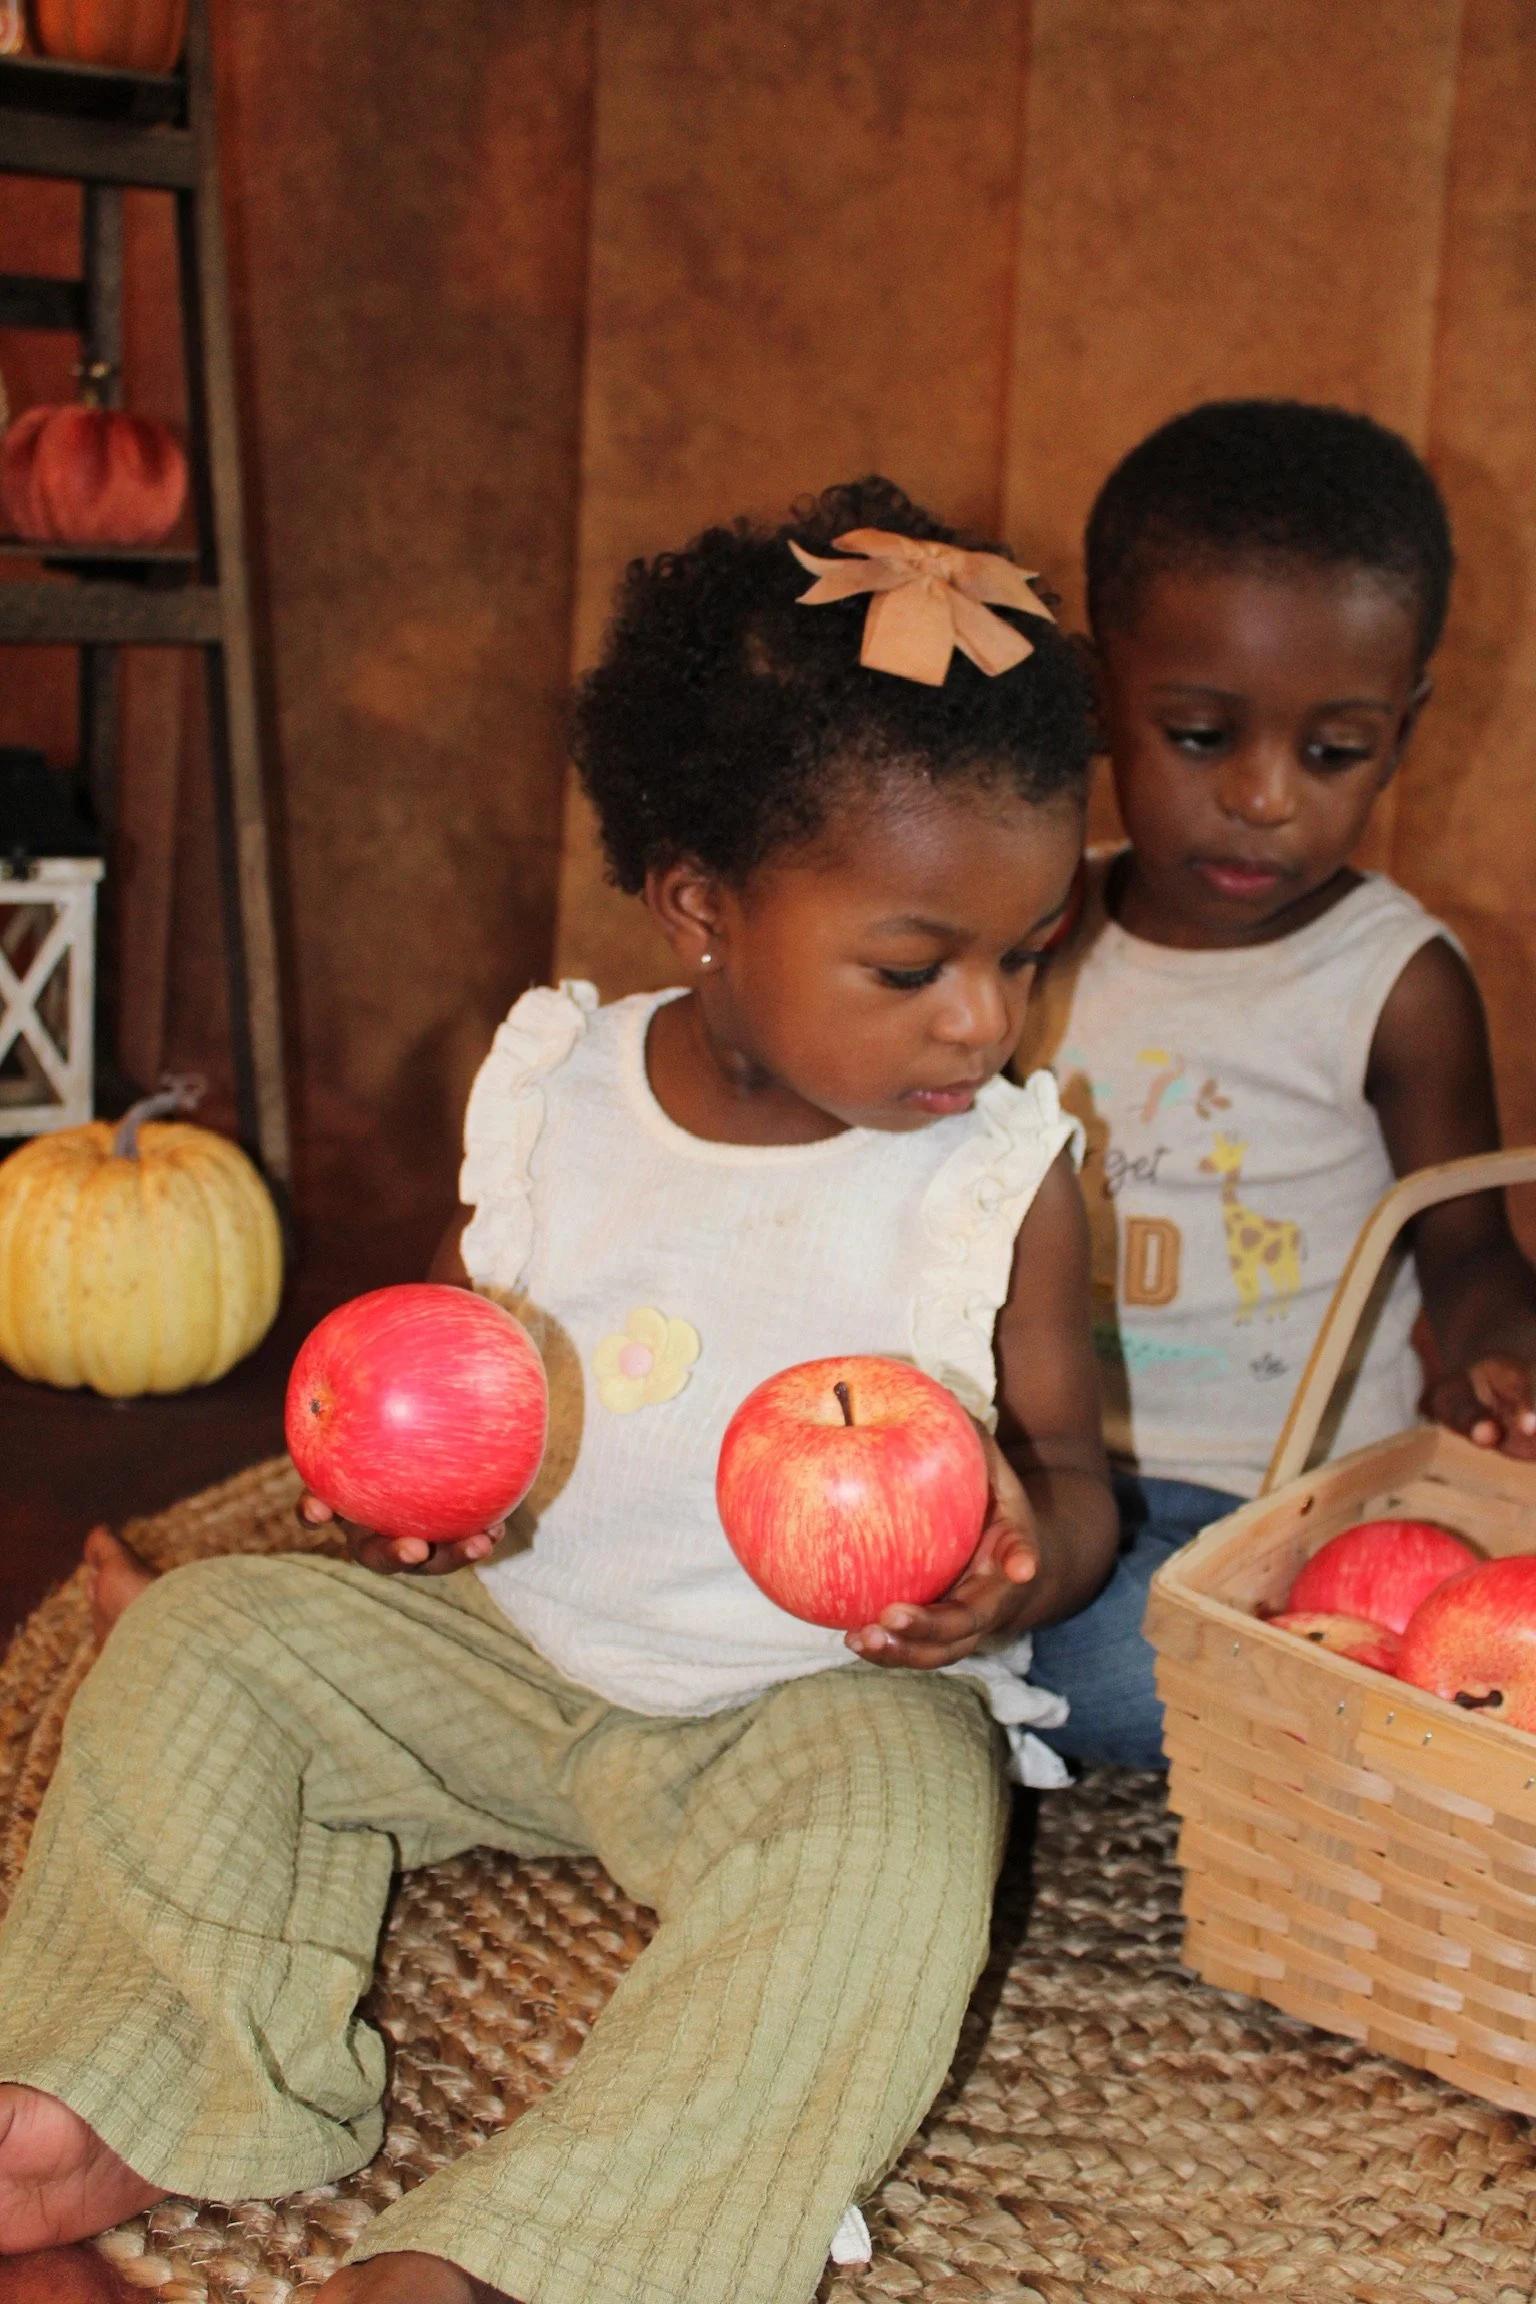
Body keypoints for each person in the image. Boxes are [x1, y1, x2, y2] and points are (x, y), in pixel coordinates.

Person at [0, 480, 1119, 2304]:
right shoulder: (551, 1093)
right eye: (916, 967)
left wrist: (1018, 1560)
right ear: (699, 907)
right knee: (200, 1644)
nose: (982, 1022)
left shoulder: (998, 1178)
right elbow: (472, 1367)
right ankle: (139, 2063)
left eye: (1027, 954)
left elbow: (1077, 1486)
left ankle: (543, 2254)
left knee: (913, 1829)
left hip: (797, 1711)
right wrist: (428, 1504)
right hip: (514, 1662)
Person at [1019, 399, 1536, 1770]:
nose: (1264, 798)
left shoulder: (1398, 983)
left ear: (1406, 726)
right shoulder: (1029, 931)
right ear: (1097, 695)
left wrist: (1505, 1360)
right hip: (1055, 1474)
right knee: (1029, 1619)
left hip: (1294, 1508)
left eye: (1334, 751)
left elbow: (1473, 1254)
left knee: (1133, 1669)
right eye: (1200, 735)